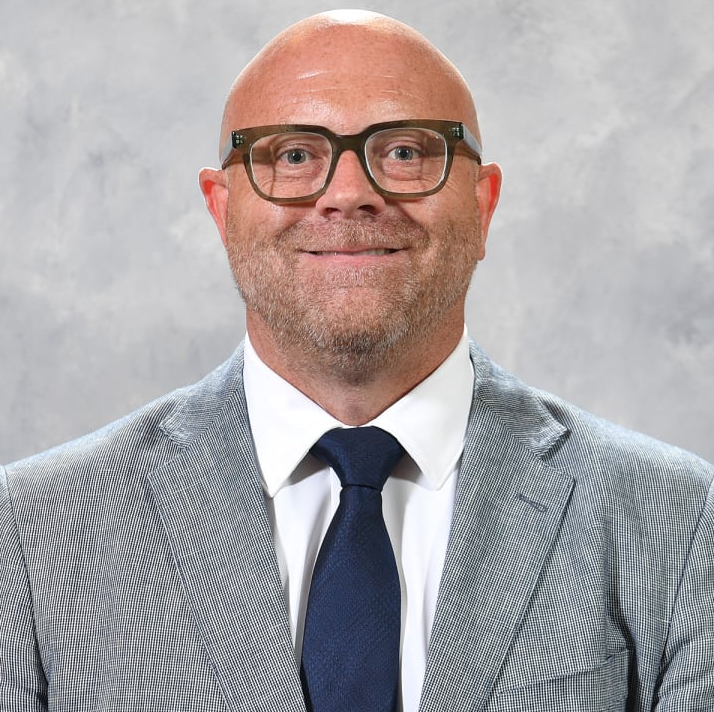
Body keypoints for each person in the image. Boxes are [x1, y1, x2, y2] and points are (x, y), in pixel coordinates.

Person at [1, 9, 712, 712]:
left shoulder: (680, 519)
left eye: (404, 152)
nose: (348, 195)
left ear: (483, 205)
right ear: (222, 210)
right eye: (292, 156)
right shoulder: (32, 530)